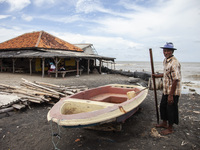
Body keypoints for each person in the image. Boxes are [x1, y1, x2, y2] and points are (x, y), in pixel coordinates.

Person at [153, 42, 181, 135]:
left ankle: (170, 128)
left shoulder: (174, 62)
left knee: (171, 109)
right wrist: (157, 76)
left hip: (173, 91)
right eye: (164, 51)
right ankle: (164, 123)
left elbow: (175, 79)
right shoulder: (165, 61)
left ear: (172, 51)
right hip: (166, 90)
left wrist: (171, 95)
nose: (165, 52)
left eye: (168, 51)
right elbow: (166, 74)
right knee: (163, 106)